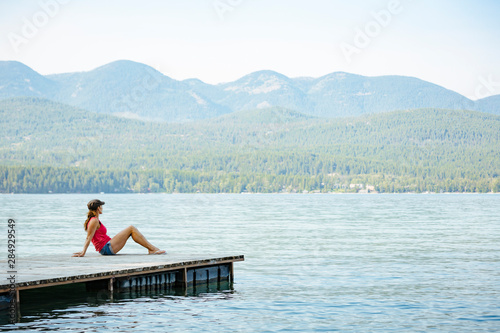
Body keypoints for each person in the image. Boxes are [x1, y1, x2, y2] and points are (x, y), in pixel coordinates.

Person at [73, 199, 166, 257]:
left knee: (131, 230)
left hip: (107, 247)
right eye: (101, 206)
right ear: (98, 208)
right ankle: (152, 249)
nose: (102, 208)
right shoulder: (94, 220)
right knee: (131, 228)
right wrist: (83, 252)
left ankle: (152, 249)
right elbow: (89, 237)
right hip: (106, 248)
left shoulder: (95, 220)